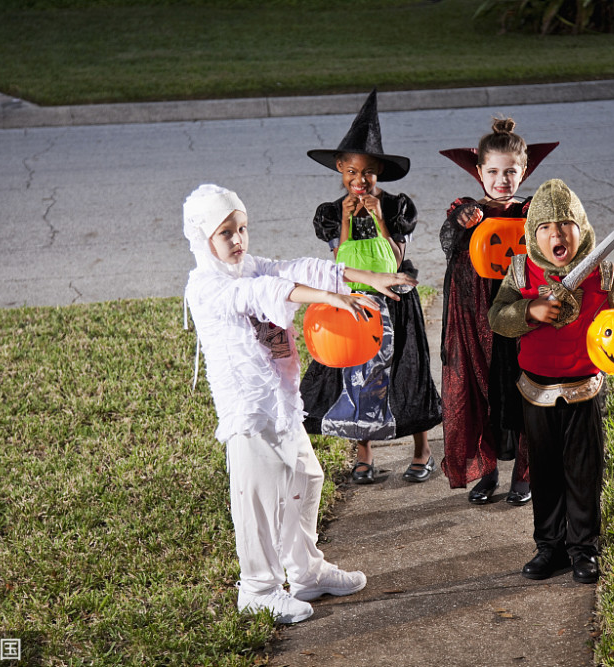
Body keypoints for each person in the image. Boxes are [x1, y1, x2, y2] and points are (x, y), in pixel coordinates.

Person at [182, 184, 417, 622]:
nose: (238, 240)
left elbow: (299, 268)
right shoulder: (206, 286)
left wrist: (371, 278)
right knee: (260, 497)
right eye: (225, 233)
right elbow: (261, 295)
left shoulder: (250, 266)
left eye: (242, 229)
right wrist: (330, 298)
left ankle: (305, 572)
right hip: (248, 409)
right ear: (202, 238)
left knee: (307, 478)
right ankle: (258, 589)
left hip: (280, 400)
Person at [488, 178, 614, 584]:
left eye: (565, 224)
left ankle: (583, 548)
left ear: (581, 228)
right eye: (546, 228)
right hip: (536, 390)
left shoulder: (600, 272)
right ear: (534, 234)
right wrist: (529, 311)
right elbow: (497, 318)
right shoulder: (520, 270)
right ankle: (549, 546)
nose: (557, 234)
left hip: (584, 387)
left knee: (583, 471)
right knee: (545, 472)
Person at [300, 89, 443, 485]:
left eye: (367, 173)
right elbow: (339, 265)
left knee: (406, 372)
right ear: (340, 170)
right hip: (357, 303)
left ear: (378, 171)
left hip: (395, 301)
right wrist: (347, 224)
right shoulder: (332, 214)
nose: (359, 180)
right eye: (351, 172)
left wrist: (379, 220)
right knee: (357, 373)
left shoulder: (397, 207)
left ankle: (422, 449)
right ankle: (365, 454)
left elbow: (395, 260)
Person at [438, 118, 558, 506]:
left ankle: (524, 475)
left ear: (523, 171)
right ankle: (486, 471)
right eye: (493, 171)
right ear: (480, 172)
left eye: (510, 171)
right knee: (480, 390)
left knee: (522, 389)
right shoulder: (467, 209)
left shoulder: (532, 211)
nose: (502, 179)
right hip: (474, 316)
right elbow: (448, 243)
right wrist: (464, 223)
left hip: (521, 314)